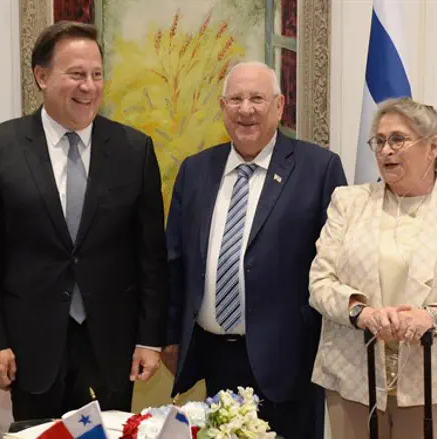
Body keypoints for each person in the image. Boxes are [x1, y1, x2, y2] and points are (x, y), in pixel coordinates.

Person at [0, 21, 169, 422]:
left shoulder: (134, 150)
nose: (89, 86)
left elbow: (151, 256)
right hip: (29, 349)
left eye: (96, 75)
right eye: (76, 74)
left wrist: (150, 339)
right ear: (41, 76)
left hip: (111, 347)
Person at [163, 61, 347, 439]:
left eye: (257, 99)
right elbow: (175, 261)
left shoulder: (319, 168)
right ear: (223, 106)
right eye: (236, 99)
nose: (246, 109)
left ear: (279, 106)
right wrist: (170, 337)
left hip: (289, 362)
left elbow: (337, 266)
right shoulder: (196, 170)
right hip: (213, 358)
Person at [309, 97, 437, 439]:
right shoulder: (347, 203)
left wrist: (432, 317)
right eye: (379, 141)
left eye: (398, 139)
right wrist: (359, 312)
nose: (385, 151)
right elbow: (320, 282)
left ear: (433, 146)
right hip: (354, 378)